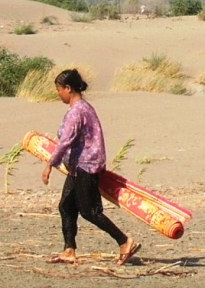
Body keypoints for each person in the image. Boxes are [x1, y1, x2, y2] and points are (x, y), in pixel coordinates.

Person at [41, 69, 141, 266]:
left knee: (89, 211)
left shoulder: (78, 111)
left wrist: (49, 165)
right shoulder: (84, 108)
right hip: (78, 166)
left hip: (86, 166)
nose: (58, 93)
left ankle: (125, 241)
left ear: (68, 89)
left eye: (59, 90)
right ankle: (69, 250)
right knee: (66, 206)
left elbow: (65, 142)